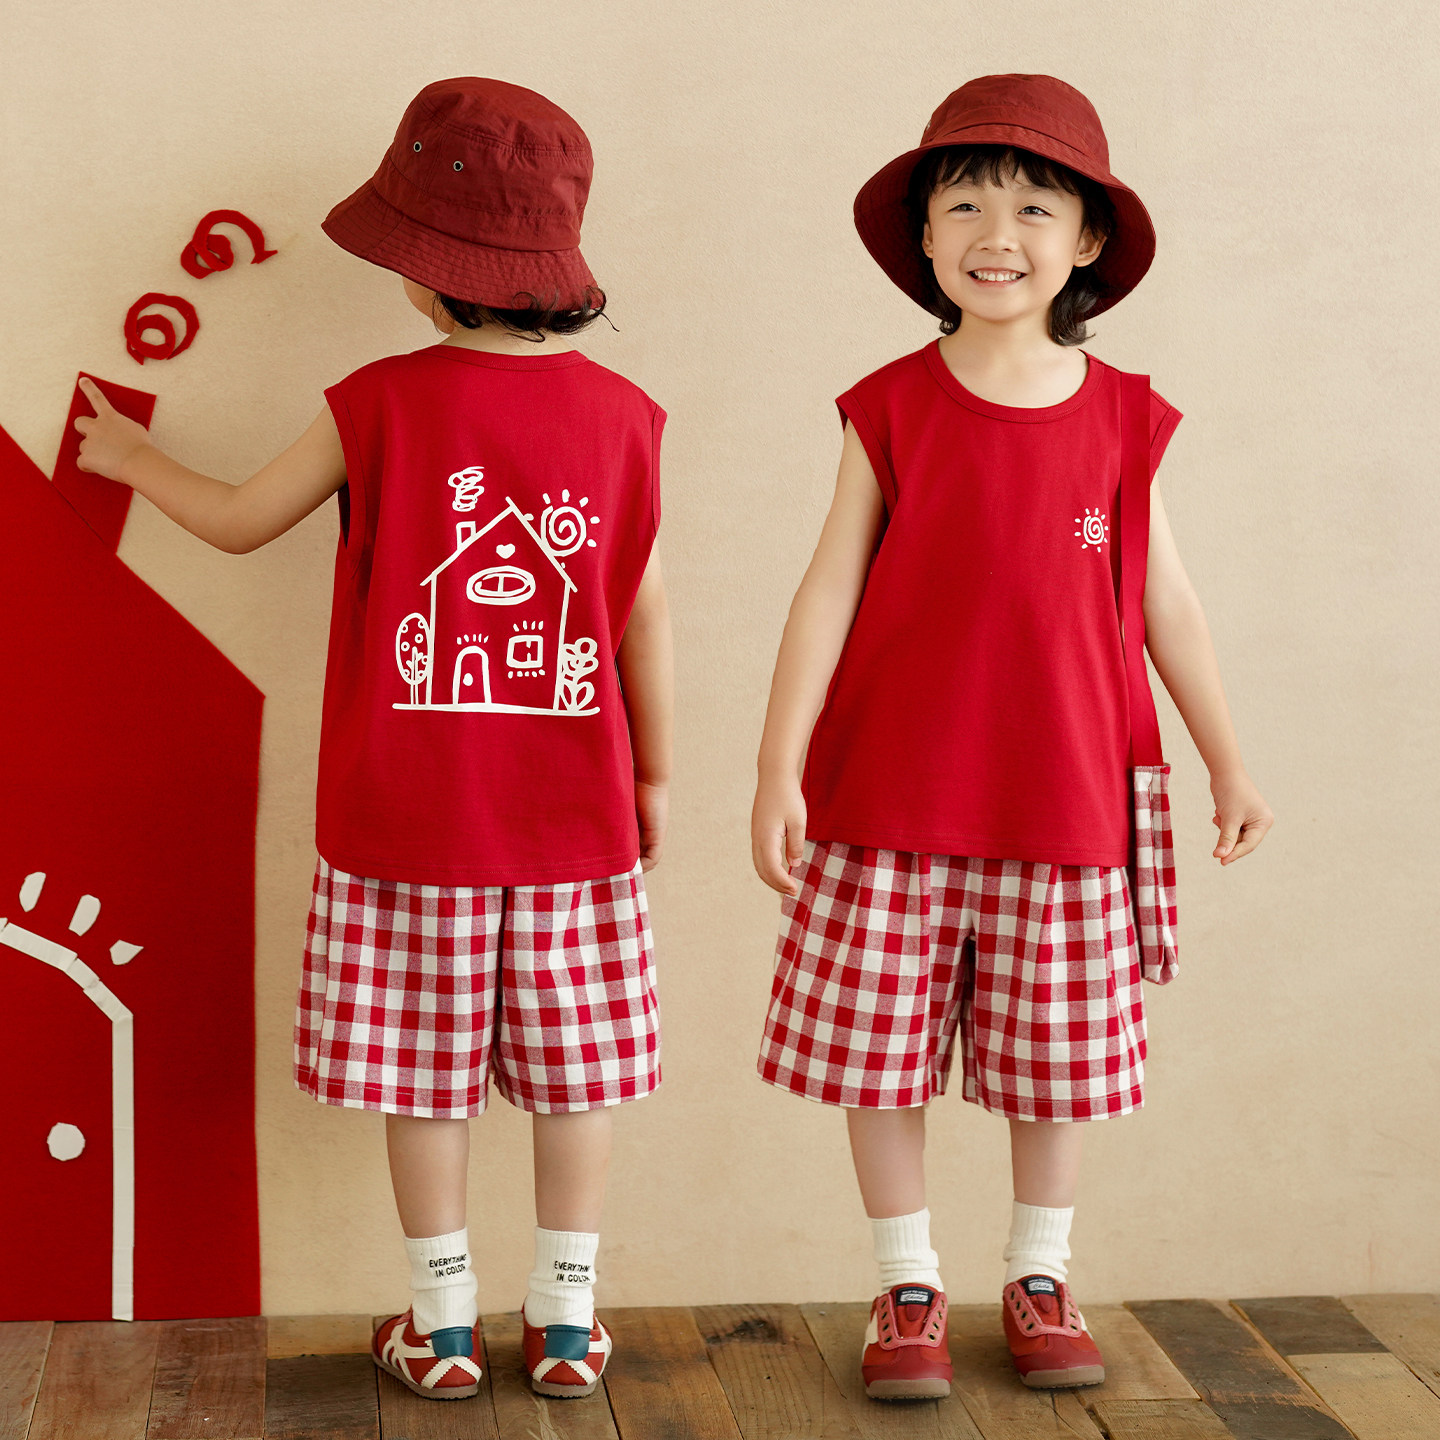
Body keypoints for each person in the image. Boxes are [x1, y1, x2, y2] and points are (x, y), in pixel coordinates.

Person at [74, 76, 672, 1403]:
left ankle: (443, 1328)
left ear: (433, 269)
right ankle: (567, 1322)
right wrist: (657, 773)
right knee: (578, 1078)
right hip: (575, 820)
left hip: (406, 821)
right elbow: (641, 614)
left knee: (426, 1080)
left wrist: (128, 460)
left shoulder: (377, 402)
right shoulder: (627, 418)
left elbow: (241, 521)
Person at [751, 73, 1272, 1398]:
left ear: (1087, 240)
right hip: (890, 792)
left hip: (1069, 797)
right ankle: (905, 1286)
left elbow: (1167, 602)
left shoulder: (1124, 417)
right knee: (879, 1055)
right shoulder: (888, 407)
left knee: (1057, 1066)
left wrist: (1227, 758)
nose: (999, 233)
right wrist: (777, 765)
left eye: (1036, 207)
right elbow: (826, 590)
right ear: (924, 238)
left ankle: (1041, 1275)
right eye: (967, 204)